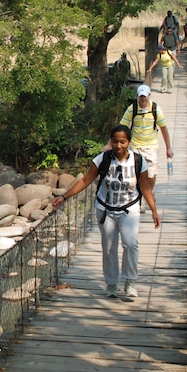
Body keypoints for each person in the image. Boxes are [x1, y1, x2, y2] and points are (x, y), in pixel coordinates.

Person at [52, 125, 160, 298]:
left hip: (129, 208)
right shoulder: (102, 159)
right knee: (109, 247)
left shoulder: (139, 161)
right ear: (111, 141)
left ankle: (130, 281)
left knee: (130, 244)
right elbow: (86, 180)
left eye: (123, 142)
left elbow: (146, 188)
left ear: (129, 142)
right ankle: (111, 284)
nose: (119, 146)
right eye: (115, 141)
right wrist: (64, 197)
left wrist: (154, 210)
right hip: (105, 209)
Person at [120, 84, 173, 187]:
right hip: (135, 146)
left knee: (151, 174)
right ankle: (138, 195)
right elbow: (121, 127)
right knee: (134, 173)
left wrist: (168, 148)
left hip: (151, 147)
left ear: (149, 95)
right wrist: (110, 145)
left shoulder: (155, 109)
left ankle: (149, 192)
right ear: (137, 96)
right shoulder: (132, 109)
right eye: (141, 96)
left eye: (145, 96)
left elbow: (164, 129)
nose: (143, 99)